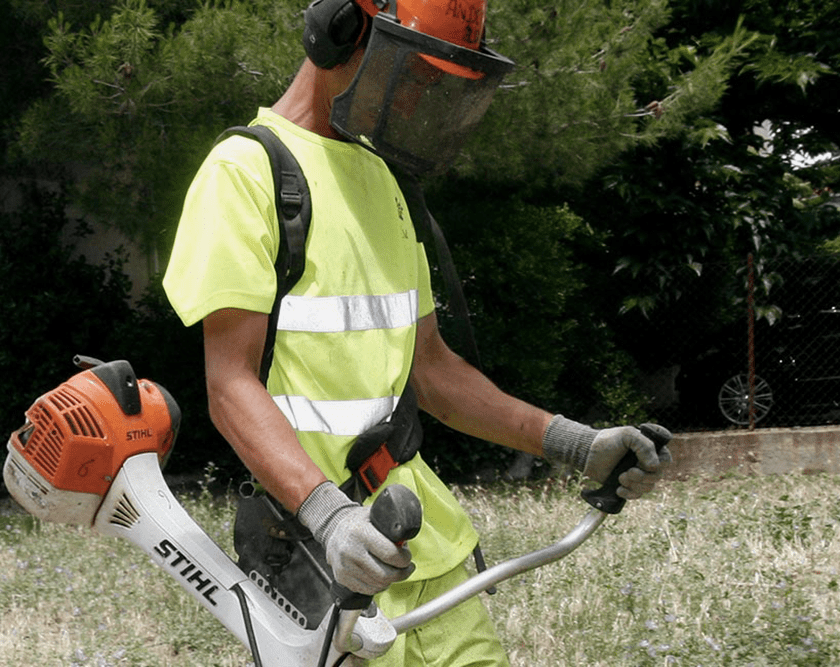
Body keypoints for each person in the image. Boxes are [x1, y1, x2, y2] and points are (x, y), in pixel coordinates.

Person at [162, 0, 673, 664]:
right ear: (341, 32)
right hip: (323, 561)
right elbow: (229, 386)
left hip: (427, 541)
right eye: (411, 75)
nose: (416, 101)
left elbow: (432, 370)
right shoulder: (245, 172)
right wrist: (328, 516)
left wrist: (576, 443)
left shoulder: (386, 182)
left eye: (435, 85)